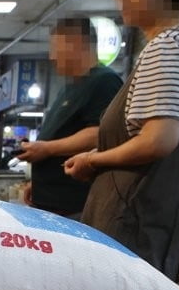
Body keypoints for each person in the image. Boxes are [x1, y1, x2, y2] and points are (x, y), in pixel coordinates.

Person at [63, 0, 179, 280]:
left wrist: (92, 159)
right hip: (138, 218)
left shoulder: (169, 46)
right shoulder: (178, 44)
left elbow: (158, 140)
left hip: (132, 221)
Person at [20, 17, 122, 217]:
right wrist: (39, 183)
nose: (51, 56)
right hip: (50, 202)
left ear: (76, 44)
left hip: (74, 206)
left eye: (56, 48)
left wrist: (47, 149)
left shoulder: (104, 81)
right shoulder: (68, 89)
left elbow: (98, 134)